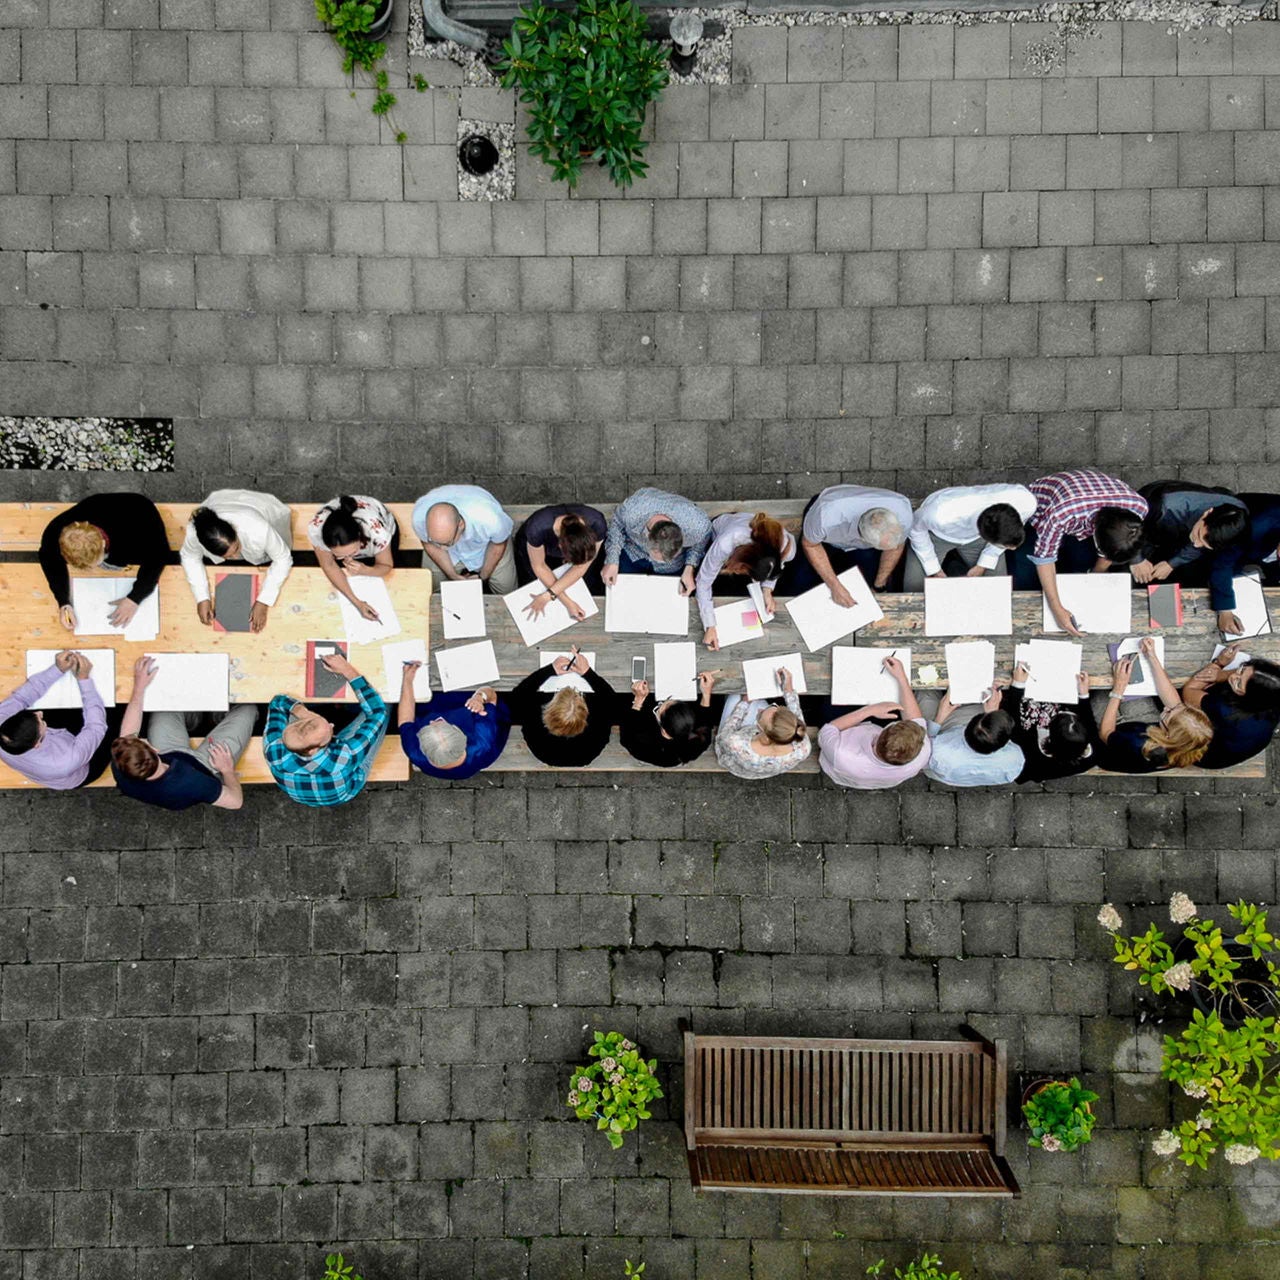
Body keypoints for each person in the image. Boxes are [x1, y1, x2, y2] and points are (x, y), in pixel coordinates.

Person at [110, 656, 251, 810]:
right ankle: (218, 714)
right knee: (248, 709)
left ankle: (192, 719)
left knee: (166, 699)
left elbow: (128, 733)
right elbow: (236, 802)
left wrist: (139, 688)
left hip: (169, 751)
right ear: (154, 749)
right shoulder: (191, 783)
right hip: (203, 765)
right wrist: (227, 770)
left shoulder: (123, 765)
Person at [1019, 469, 1148, 636]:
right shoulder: (1062, 514)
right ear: (1095, 534)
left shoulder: (1139, 507)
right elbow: (1044, 558)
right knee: (1025, 575)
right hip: (1043, 507)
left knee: (1080, 562)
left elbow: (1109, 551)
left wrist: (1096, 575)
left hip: (1085, 499)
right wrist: (1056, 608)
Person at [264, 652, 388, 806]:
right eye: (329, 731)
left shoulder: (274, 750)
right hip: (345, 790)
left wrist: (303, 712)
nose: (332, 725)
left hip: (303, 792)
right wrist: (347, 669)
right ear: (313, 750)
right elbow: (377, 712)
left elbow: (277, 702)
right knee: (386, 704)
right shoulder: (344, 756)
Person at [39, 492, 169, 631]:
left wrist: (135, 598)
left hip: (138, 518)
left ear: (102, 543)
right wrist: (63, 602)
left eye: (96, 562)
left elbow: (158, 557)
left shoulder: (135, 537)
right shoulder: (57, 531)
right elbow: (49, 557)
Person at [180, 489, 294, 634]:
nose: (235, 558)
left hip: (263, 509)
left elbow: (283, 558)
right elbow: (190, 557)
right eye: (228, 556)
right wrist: (201, 597)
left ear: (234, 529)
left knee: (279, 547)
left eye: (237, 548)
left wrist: (264, 600)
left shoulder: (258, 528)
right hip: (221, 501)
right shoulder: (194, 533)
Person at [1097, 637, 1213, 773]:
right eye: (1182, 708)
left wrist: (1118, 689)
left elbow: (1106, 733)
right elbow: (1175, 704)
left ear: (1168, 735)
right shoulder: (1190, 741)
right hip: (1139, 727)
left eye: (1168, 713)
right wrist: (1152, 657)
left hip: (1112, 744)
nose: (1166, 707)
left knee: (1099, 695)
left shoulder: (1139, 744)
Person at [817, 654, 931, 789]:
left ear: (877, 737)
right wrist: (901, 677)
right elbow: (914, 719)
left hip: (842, 760)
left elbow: (829, 729)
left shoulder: (840, 753)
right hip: (871, 776)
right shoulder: (921, 753)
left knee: (831, 699)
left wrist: (869, 710)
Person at [0, 650, 110, 789]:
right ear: (37, 744)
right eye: (41, 721)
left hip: (58, 742)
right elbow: (96, 727)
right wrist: (84, 679)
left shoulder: (2, 722)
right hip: (84, 768)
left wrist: (57, 669)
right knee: (115, 716)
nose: (40, 713)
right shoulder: (65, 761)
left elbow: (21, 698)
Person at [788, 484, 914, 602]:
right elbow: (810, 545)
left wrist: (878, 585)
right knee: (797, 586)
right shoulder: (825, 516)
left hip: (862, 548)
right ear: (863, 538)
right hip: (823, 540)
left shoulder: (903, 515)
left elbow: (895, 548)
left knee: (871, 588)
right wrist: (834, 586)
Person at [903, 483, 1037, 591]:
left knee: (998, 588)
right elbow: (915, 529)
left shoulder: (1025, 502)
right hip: (936, 535)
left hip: (977, 540)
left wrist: (984, 563)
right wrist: (934, 569)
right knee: (914, 588)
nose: (1012, 550)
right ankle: (952, 566)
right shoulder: (939, 514)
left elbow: (1002, 540)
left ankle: (955, 568)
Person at [697, 512, 796, 650]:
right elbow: (703, 582)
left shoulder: (787, 548)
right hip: (716, 532)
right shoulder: (725, 543)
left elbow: (779, 565)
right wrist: (710, 625)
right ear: (742, 564)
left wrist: (767, 590)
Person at [1130, 480, 1249, 587]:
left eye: (1203, 545)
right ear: (1207, 513)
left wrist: (1171, 564)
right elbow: (1127, 522)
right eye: (1198, 535)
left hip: (1175, 529)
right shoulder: (1164, 506)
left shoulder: (1237, 516)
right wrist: (1136, 559)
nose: (1195, 544)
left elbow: (1199, 543)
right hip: (1147, 518)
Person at [508, 649, 615, 768]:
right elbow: (611, 700)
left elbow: (517, 697)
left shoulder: (537, 731)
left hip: (548, 755)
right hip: (581, 757)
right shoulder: (593, 739)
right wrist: (587, 672)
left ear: (548, 711)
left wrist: (550, 670)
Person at [1181, 646, 1280, 769]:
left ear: (1250, 698)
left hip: (1203, 754)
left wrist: (1218, 664)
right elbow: (1274, 668)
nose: (1233, 677)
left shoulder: (1225, 710)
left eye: (1239, 683)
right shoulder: (1273, 693)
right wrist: (1220, 676)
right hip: (1245, 741)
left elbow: (1189, 692)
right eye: (1241, 669)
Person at [398, 671, 511, 779]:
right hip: (466, 707)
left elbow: (405, 720)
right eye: (443, 724)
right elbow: (492, 696)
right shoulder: (481, 744)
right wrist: (479, 697)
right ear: (462, 736)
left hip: (433, 706)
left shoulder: (414, 752)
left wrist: (407, 680)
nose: (432, 722)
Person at [601, 487, 713, 596]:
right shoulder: (632, 511)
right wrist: (612, 560)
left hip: (672, 567)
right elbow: (617, 525)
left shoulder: (697, 526)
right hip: (633, 553)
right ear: (647, 535)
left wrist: (689, 567)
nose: (660, 561)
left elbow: (701, 540)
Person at [1001, 665, 1098, 784]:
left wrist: (1018, 685)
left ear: (1050, 735)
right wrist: (1083, 695)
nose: (1063, 711)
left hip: (1026, 726)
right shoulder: (1093, 752)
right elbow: (1089, 720)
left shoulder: (1030, 755)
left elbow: (1012, 721)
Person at [308, 495, 398, 623]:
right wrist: (357, 603)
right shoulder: (316, 529)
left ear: (360, 536)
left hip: (381, 527)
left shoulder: (377, 532)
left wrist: (366, 570)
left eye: (353, 552)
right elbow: (329, 565)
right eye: (339, 556)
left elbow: (386, 566)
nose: (349, 559)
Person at [412, 484, 516, 595]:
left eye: (447, 543)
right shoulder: (419, 519)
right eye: (437, 542)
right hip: (452, 553)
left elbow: (498, 545)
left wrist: (482, 577)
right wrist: (452, 575)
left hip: (487, 547)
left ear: (460, 524)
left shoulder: (491, 521)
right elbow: (430, 545)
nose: (442, 548)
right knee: (431, 587)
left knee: (507, 590)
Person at [514, 504, 608, 621]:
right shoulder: (537, 528)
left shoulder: (597, 524)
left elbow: (581, 567)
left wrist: (549, 595)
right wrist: (565, 601)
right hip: (536, 550)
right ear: (559, 546)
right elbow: (539, 566)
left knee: (590, 581)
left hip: (571, 550)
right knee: (533, 582)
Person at [714, 667, 810, 779]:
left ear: (760, 729)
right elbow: (794, 718)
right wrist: (788, 690)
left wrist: (745, 702)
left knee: (735, 696)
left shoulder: (735, 743)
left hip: (735, 757)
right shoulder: (802, 746)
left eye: (760, 716)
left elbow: (727, 731)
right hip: (764, 768)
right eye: (775, 707)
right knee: (759, 702)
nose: (760, 710)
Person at [1205, 493, 1280, 635]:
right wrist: (1225, 610)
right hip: (1235, 540)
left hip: (1266, 552)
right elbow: (1222, 562)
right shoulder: (1258, 525)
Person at [923, 687, 1024, 787]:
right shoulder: (1015, 760)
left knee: (926, 693)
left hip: (939, 758)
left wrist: (940, 715)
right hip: (952, 771)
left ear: (966, 727)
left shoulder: (939, 753)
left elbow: (923, 748)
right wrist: (992, 715)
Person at [621, 672, 716, 767]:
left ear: (664, 731)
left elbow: (626, 735)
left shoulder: (645, 746)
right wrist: (706, 692)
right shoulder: (699, 740)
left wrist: (638, 700)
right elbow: (705, 720)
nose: (666, 701)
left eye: (660, 708)